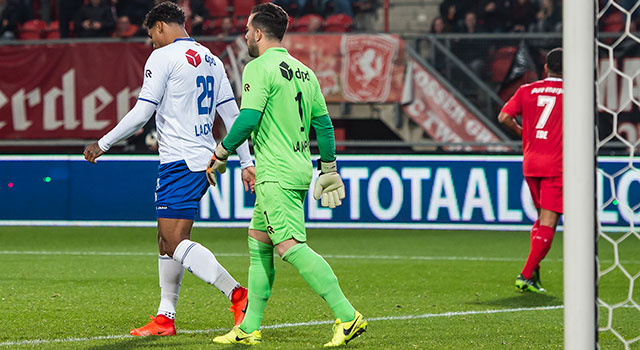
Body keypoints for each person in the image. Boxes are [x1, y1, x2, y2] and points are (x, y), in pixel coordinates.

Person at [83, 1, 255, 336]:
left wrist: (103, 143)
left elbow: (142, 112)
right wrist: (246, 162)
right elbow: (233, 117)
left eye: (152, 36)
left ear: (161, 26)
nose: (152, 43)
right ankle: (165, 318)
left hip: (180, 161)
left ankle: (237, 294)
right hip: (202, 157)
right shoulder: (212, 59)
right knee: (165, 239)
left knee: (175, 242)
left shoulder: (163, 57)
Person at [208, 3, 366, 347]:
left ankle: (347, 315)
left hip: (275, 172)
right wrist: (329, 168)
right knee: (259, 243)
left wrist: (220, 152)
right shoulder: (305, 72)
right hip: (297, 167)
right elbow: (323, 125)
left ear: (260, 33)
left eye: (249, 30)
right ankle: (249, 328)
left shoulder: (258, 67)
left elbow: (248, 119)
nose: (246, 35)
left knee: (290, 246)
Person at [498, 47, 563, 293]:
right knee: (549, 221)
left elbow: (504, 117)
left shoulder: (527, 90)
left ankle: (534, 275)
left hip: (531, 162)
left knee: (540, 219)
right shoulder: (575, 93)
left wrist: (522, 132)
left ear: (545, 68)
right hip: (556, 164)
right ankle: (526, 274)